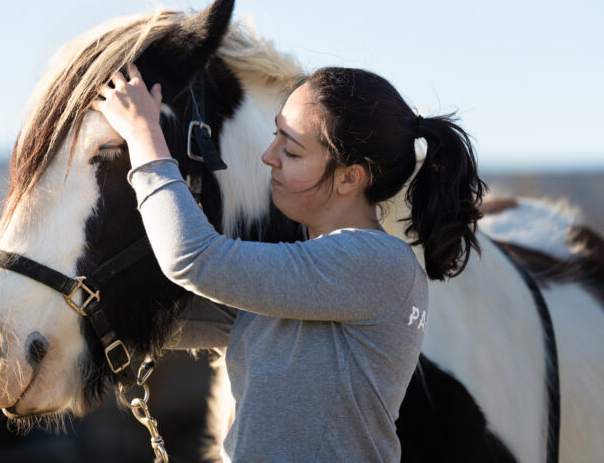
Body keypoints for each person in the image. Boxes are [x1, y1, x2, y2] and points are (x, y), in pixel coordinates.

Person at [93, 64, 485, 462]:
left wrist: (145, 134)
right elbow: (169, 313)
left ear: (350, 179)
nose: (269, 157)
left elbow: (194, 259)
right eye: (275, 135)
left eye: (291, 150)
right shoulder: (311, 273)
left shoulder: (377, 263)